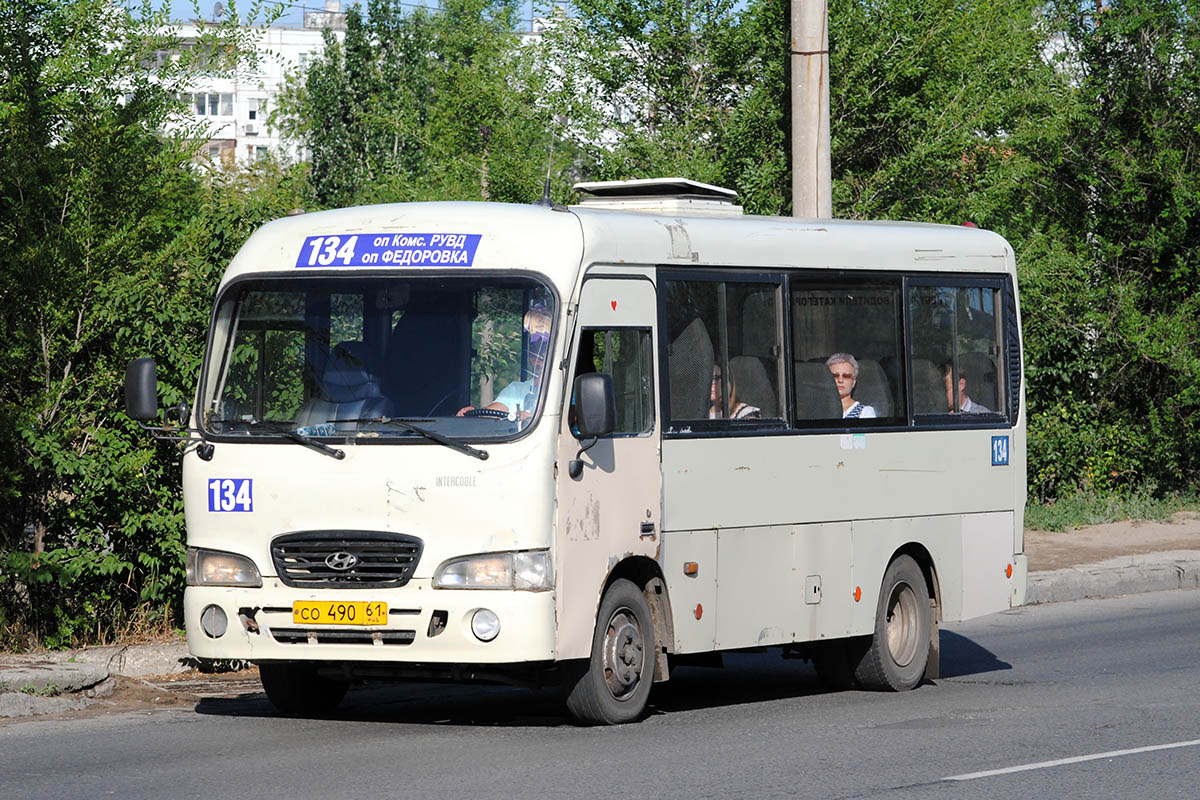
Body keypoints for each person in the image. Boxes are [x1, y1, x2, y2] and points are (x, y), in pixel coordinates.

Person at [457, 304, 551, 419]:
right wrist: (472, 415)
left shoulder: (566, 391)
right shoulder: (516, 390)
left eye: (544, 348)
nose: (538, 354)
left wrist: (530, 419)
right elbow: (493, 412)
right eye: (534, 348)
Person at [825, 353, 876, 419]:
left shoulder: (865, 413)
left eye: (846, 376)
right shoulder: (817, 410)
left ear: (853, 382)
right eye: (835, 376)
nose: (840, 380)